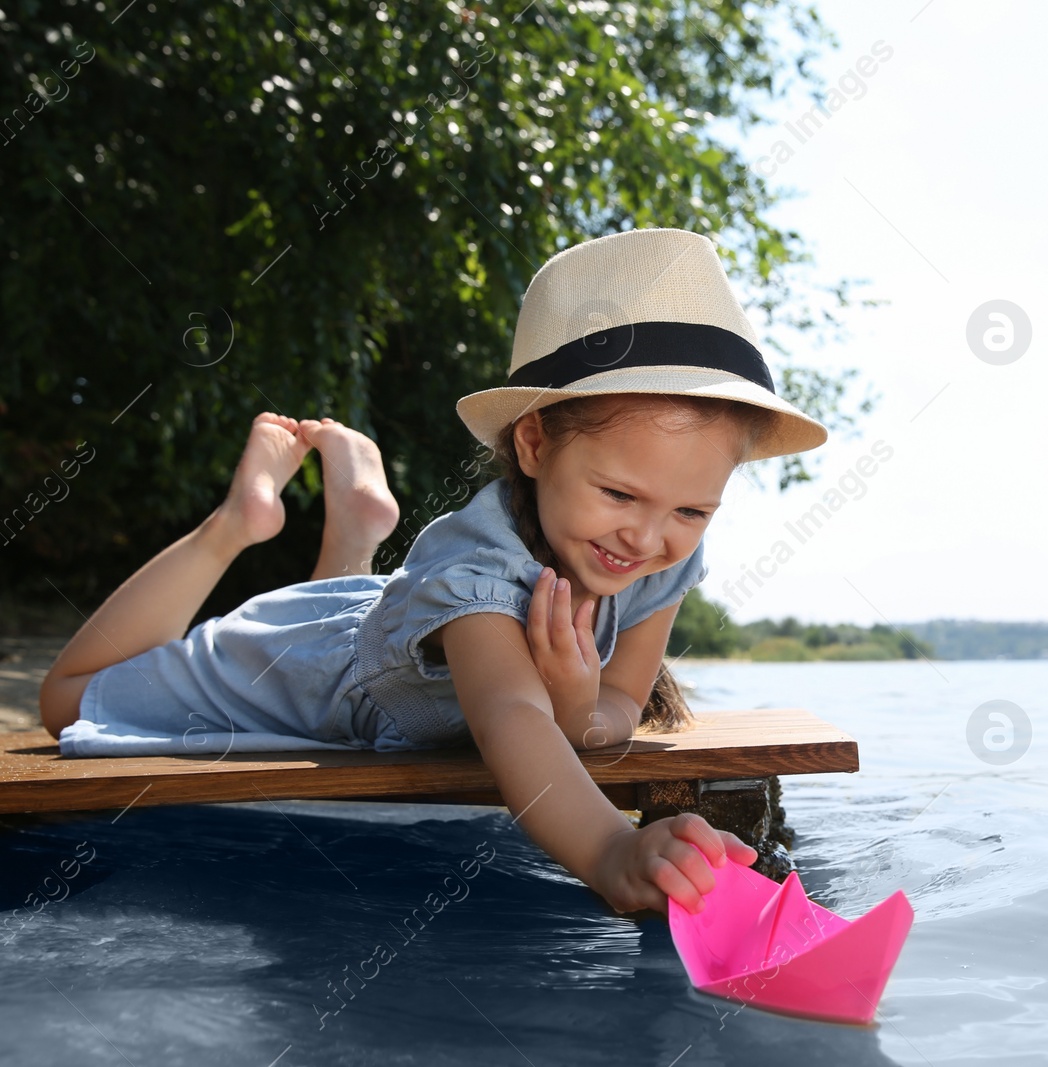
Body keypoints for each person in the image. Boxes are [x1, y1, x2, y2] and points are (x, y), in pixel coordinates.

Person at [38, 227, 828, 917]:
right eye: (620, 492)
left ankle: (356, 533)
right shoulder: (480, 570)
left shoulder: (663, 558)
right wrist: (609, 852)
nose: (650, 536)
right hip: (314, 668)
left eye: (692, 510)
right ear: (534, 445)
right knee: (64, 702)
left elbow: (617, 703)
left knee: (367, 602)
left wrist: (583, 705)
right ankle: (237, 523)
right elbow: (511, 718)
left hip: (388, 616)